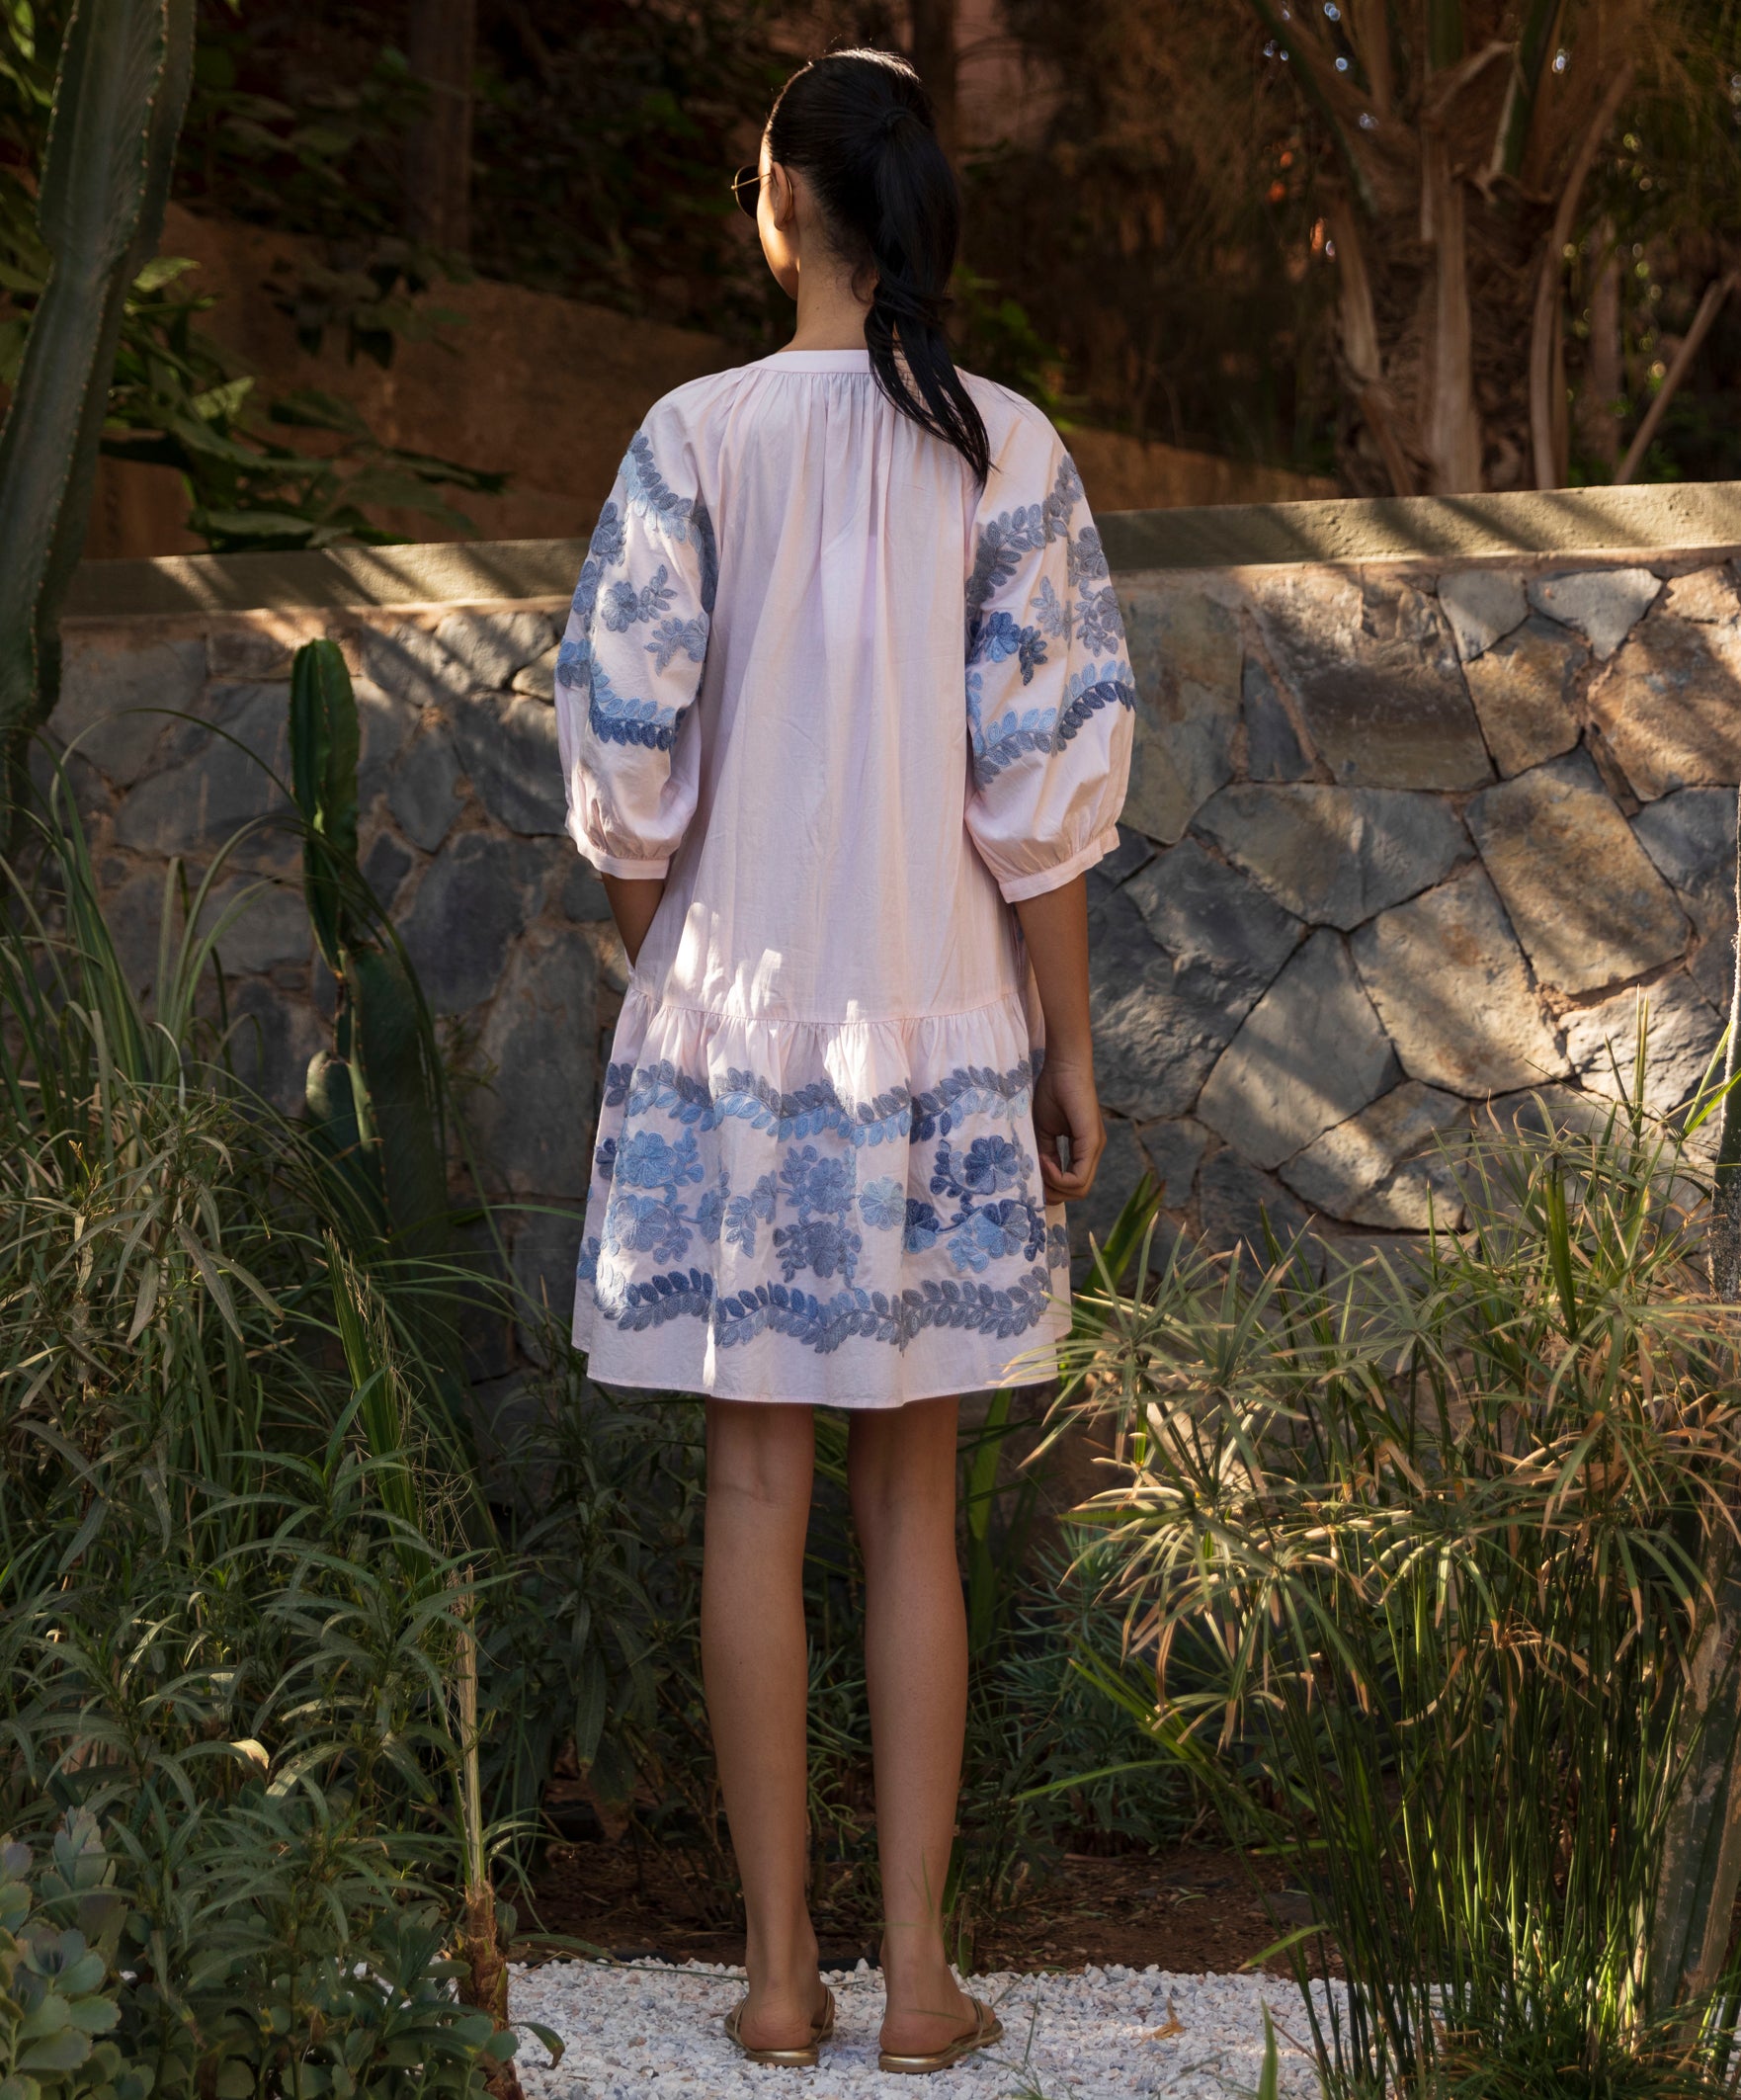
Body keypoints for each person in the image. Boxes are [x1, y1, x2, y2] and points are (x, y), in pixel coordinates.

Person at [553, 46, 1133, 2077]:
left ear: (776, 198)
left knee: (747, 1482)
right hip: (941, 1028)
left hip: (730, 1025)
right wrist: (1067, 1045)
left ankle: (775, 1977)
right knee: (912, 1502)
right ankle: (915, 1977)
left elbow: (623, 764)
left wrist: (677, 969)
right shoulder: (1006, 447)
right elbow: (1040, 794)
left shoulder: (690, 436)